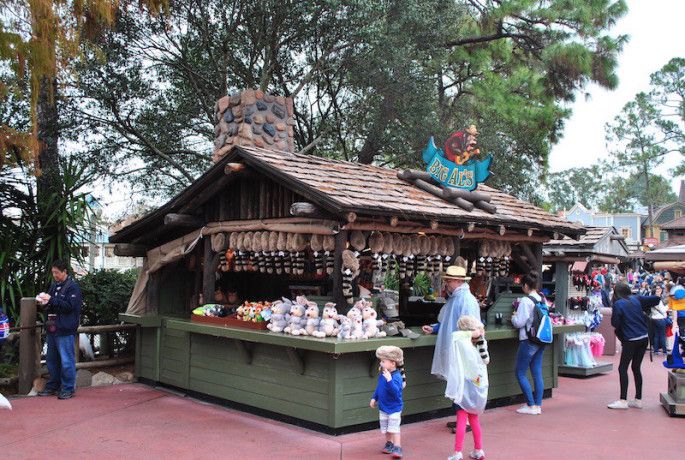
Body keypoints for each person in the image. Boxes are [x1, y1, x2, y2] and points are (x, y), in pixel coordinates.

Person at [422, 265, 480, 432]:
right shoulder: (455, 298)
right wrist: (434, 328)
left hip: (462, 350)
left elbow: (471, 327)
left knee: (463, 385)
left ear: (457, 281)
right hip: (456, 348)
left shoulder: (466, 300)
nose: (446, 283)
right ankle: (461, 420)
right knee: (457, 384)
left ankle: (466, 422)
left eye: (448, 280)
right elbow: (448, 321)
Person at [607, 283, 660, 409]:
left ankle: (623, 400)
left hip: (631, 339)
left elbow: (615, 323)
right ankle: (638, 399)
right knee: (636, 368)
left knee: (622, 368)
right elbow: (656, 299)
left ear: (617, 293)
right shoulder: (636, 299)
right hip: (643, 338)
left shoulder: (618, 304)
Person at [36, 260, 83, 400]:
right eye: (53, 273)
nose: (55, 275)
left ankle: (68, 387)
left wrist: (51, 300)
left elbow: (69, 307)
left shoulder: (73, 288)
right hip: (52, 328)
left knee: (67, 360)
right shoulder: (54, 286)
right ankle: (53, 385)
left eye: (57, 272)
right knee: (52, 360)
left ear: (64, 272)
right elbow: (52, 303)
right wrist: (44, 302)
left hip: (65, 329)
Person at [447, 316, 489, 460]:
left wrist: (471, 332)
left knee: (461, 419)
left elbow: (455, 335)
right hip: (477, 388)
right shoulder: (482, 344)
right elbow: (486, 360)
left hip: (463, 387)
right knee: (474, 419)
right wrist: (477, 332)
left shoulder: (460, 342)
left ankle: (457, 452)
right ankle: (478, 450)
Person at [511, 272, 545, 415]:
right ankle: (537, 405)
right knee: (537, 373)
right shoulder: (542, 298)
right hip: (540, 339)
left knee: (520, 372)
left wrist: (513, 317)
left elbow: (519, 322)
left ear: (525, 285)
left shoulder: (525, 301)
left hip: (528, 340)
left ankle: (531, 405)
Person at [370, 345, 405, 459]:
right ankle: (389, 443)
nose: (381, 363)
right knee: (386, 428)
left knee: (394, 428)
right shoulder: (383, 373)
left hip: (394, 408)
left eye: (383, 361)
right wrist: (374, 398)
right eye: (381, 361)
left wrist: (390, 380)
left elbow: (396, 393)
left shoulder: (397, 377)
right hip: (383, 407)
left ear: (393, 363)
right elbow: (379, 387)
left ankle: (398, 447)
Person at [650, 285, 669, 355]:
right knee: (662, 335)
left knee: (656, 335)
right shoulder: (658, 300)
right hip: (660, 319)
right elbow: (663, 310)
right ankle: (664, 351)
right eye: (657, 291)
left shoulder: (651, 300)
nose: (659, 292)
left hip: (654, 318)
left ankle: (656, 351)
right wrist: (668, 306)